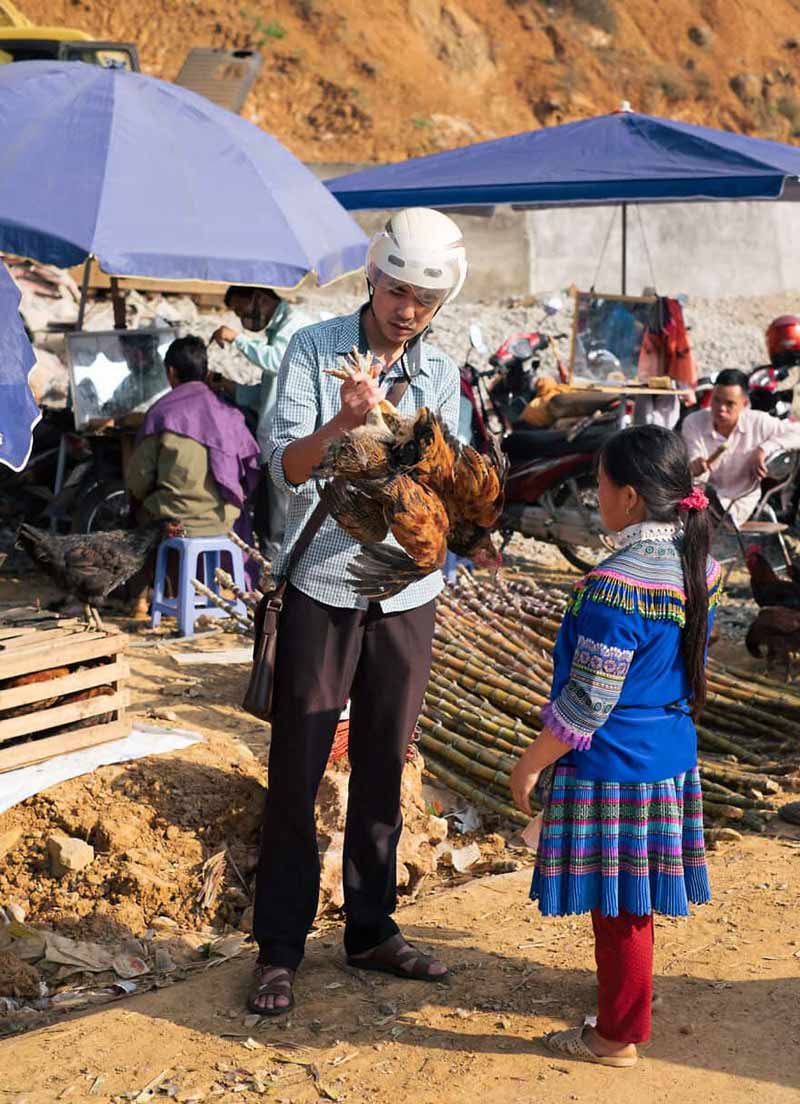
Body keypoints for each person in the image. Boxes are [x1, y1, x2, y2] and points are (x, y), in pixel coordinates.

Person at [248, 208, 467, 1016]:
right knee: (297, 772)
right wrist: (344, 423)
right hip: (323, 589)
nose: (408, 309)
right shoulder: (312, 348)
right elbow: (286, 470)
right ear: (372, 276)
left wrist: (426, 455)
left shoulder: (442, 371)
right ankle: (279, 950)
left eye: (425, 299)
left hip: (408, 594)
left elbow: (451, 480)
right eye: (398, 288)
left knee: (384, 764)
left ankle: (372, 930)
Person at [510, 425, 720, 1068]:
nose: (594, 495)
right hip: (667, 756)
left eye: (599, 484)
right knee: (635, 897)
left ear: (628, 497)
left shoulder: (616, 585)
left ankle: (616, 1035)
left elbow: (588, 703)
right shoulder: (698, 564)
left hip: (616, 767)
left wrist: (528, 766)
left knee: (622, 905)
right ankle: (624, 1003)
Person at [127, 335, 260, 541]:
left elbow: (138, 479)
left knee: (135, 520)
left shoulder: (161, 413)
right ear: (205, 373)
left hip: (175, 522)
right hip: (224, 522)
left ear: (171, 372)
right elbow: (251, 469)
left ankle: (167, 573)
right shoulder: (230, 413)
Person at [211, 288, 312, 552]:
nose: (240, 316)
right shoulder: (277, 333)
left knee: (280, 525)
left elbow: (278, 361)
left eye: (239, 309)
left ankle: (277, 581)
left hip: (289, 443)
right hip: (274, 443)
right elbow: (268, 393)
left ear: (261, 300)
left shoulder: (295, 326)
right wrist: (227, 385)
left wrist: (237, 340)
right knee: (269, 520)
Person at [681, 368, 800, 525]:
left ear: (744, 404)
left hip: (739, 500)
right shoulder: (694, 422)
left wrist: (764, 448)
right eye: (716, 400)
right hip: (701, 496)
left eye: (729, 403)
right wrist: (695, 467)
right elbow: (696, 465)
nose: (721, 408)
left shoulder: (758, 422)